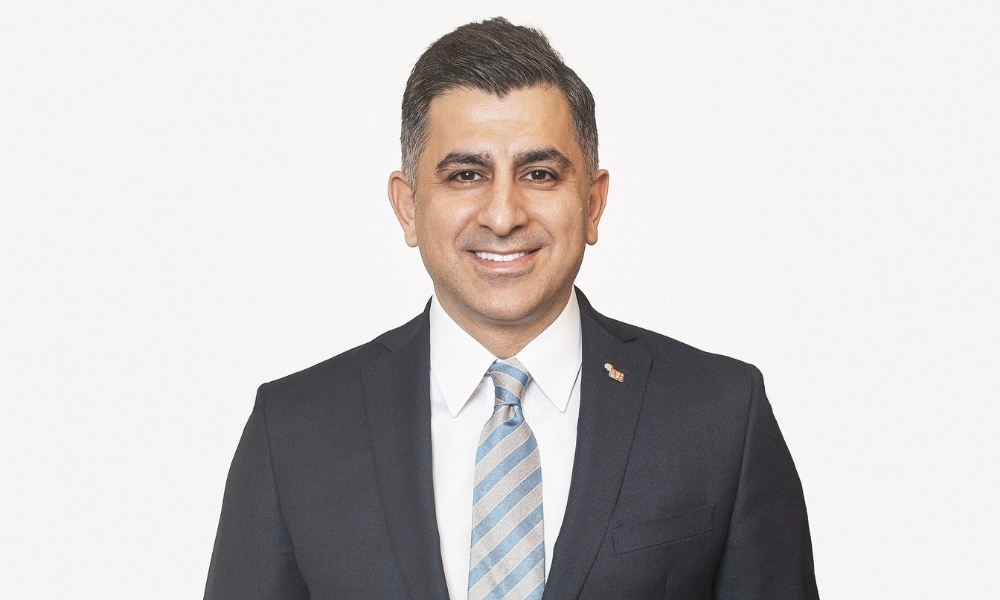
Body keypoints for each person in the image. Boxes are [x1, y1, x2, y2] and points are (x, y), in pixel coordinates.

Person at [205, 17, 819, 600]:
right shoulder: (294, 432)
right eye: (466, 175)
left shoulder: (720, 415)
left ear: (593, 203)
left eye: (540, 174)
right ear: (407, 207)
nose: (503, 216)